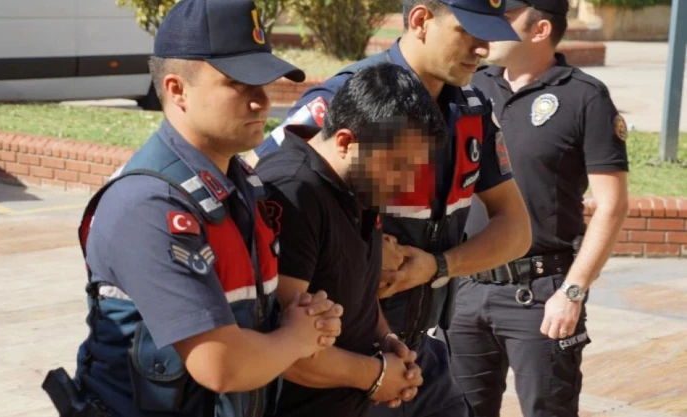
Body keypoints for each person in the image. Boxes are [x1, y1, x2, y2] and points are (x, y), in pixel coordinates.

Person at [40, 1, 344, 416]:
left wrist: (309, 318)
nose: (262, 101)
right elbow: (221, 365)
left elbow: (257, 317)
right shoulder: (148, 205)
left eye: (263, 82)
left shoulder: (240, 182)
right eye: (238, 83)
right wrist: (297, 338)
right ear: (177, 90)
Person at [245, 0, 533, 415]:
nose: (483, 48)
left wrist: (437, 266)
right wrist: (358, 250)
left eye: (487, 34)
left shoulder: (472, 109)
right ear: (421, 20)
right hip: (340, 363)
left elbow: (517, 230)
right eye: (468, 31)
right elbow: (271, 192)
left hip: (415, 352)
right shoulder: (350, 96)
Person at [449, 0, 630, 416]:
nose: (492, 25)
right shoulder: (472, 86)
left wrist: (573, 292)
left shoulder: (585, 97)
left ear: (540, 30)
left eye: (507, 18)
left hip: (540, 295)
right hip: (465, 289)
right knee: (455, 409)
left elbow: (612, 205)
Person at [256, 63, 442, 417]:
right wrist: (377, 375)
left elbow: (357, 290)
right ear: (345, 142)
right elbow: (282, 348)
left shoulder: (358, 182)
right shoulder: (293, 192)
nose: (406, 184)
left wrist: (387, 341)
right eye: (399, 166)